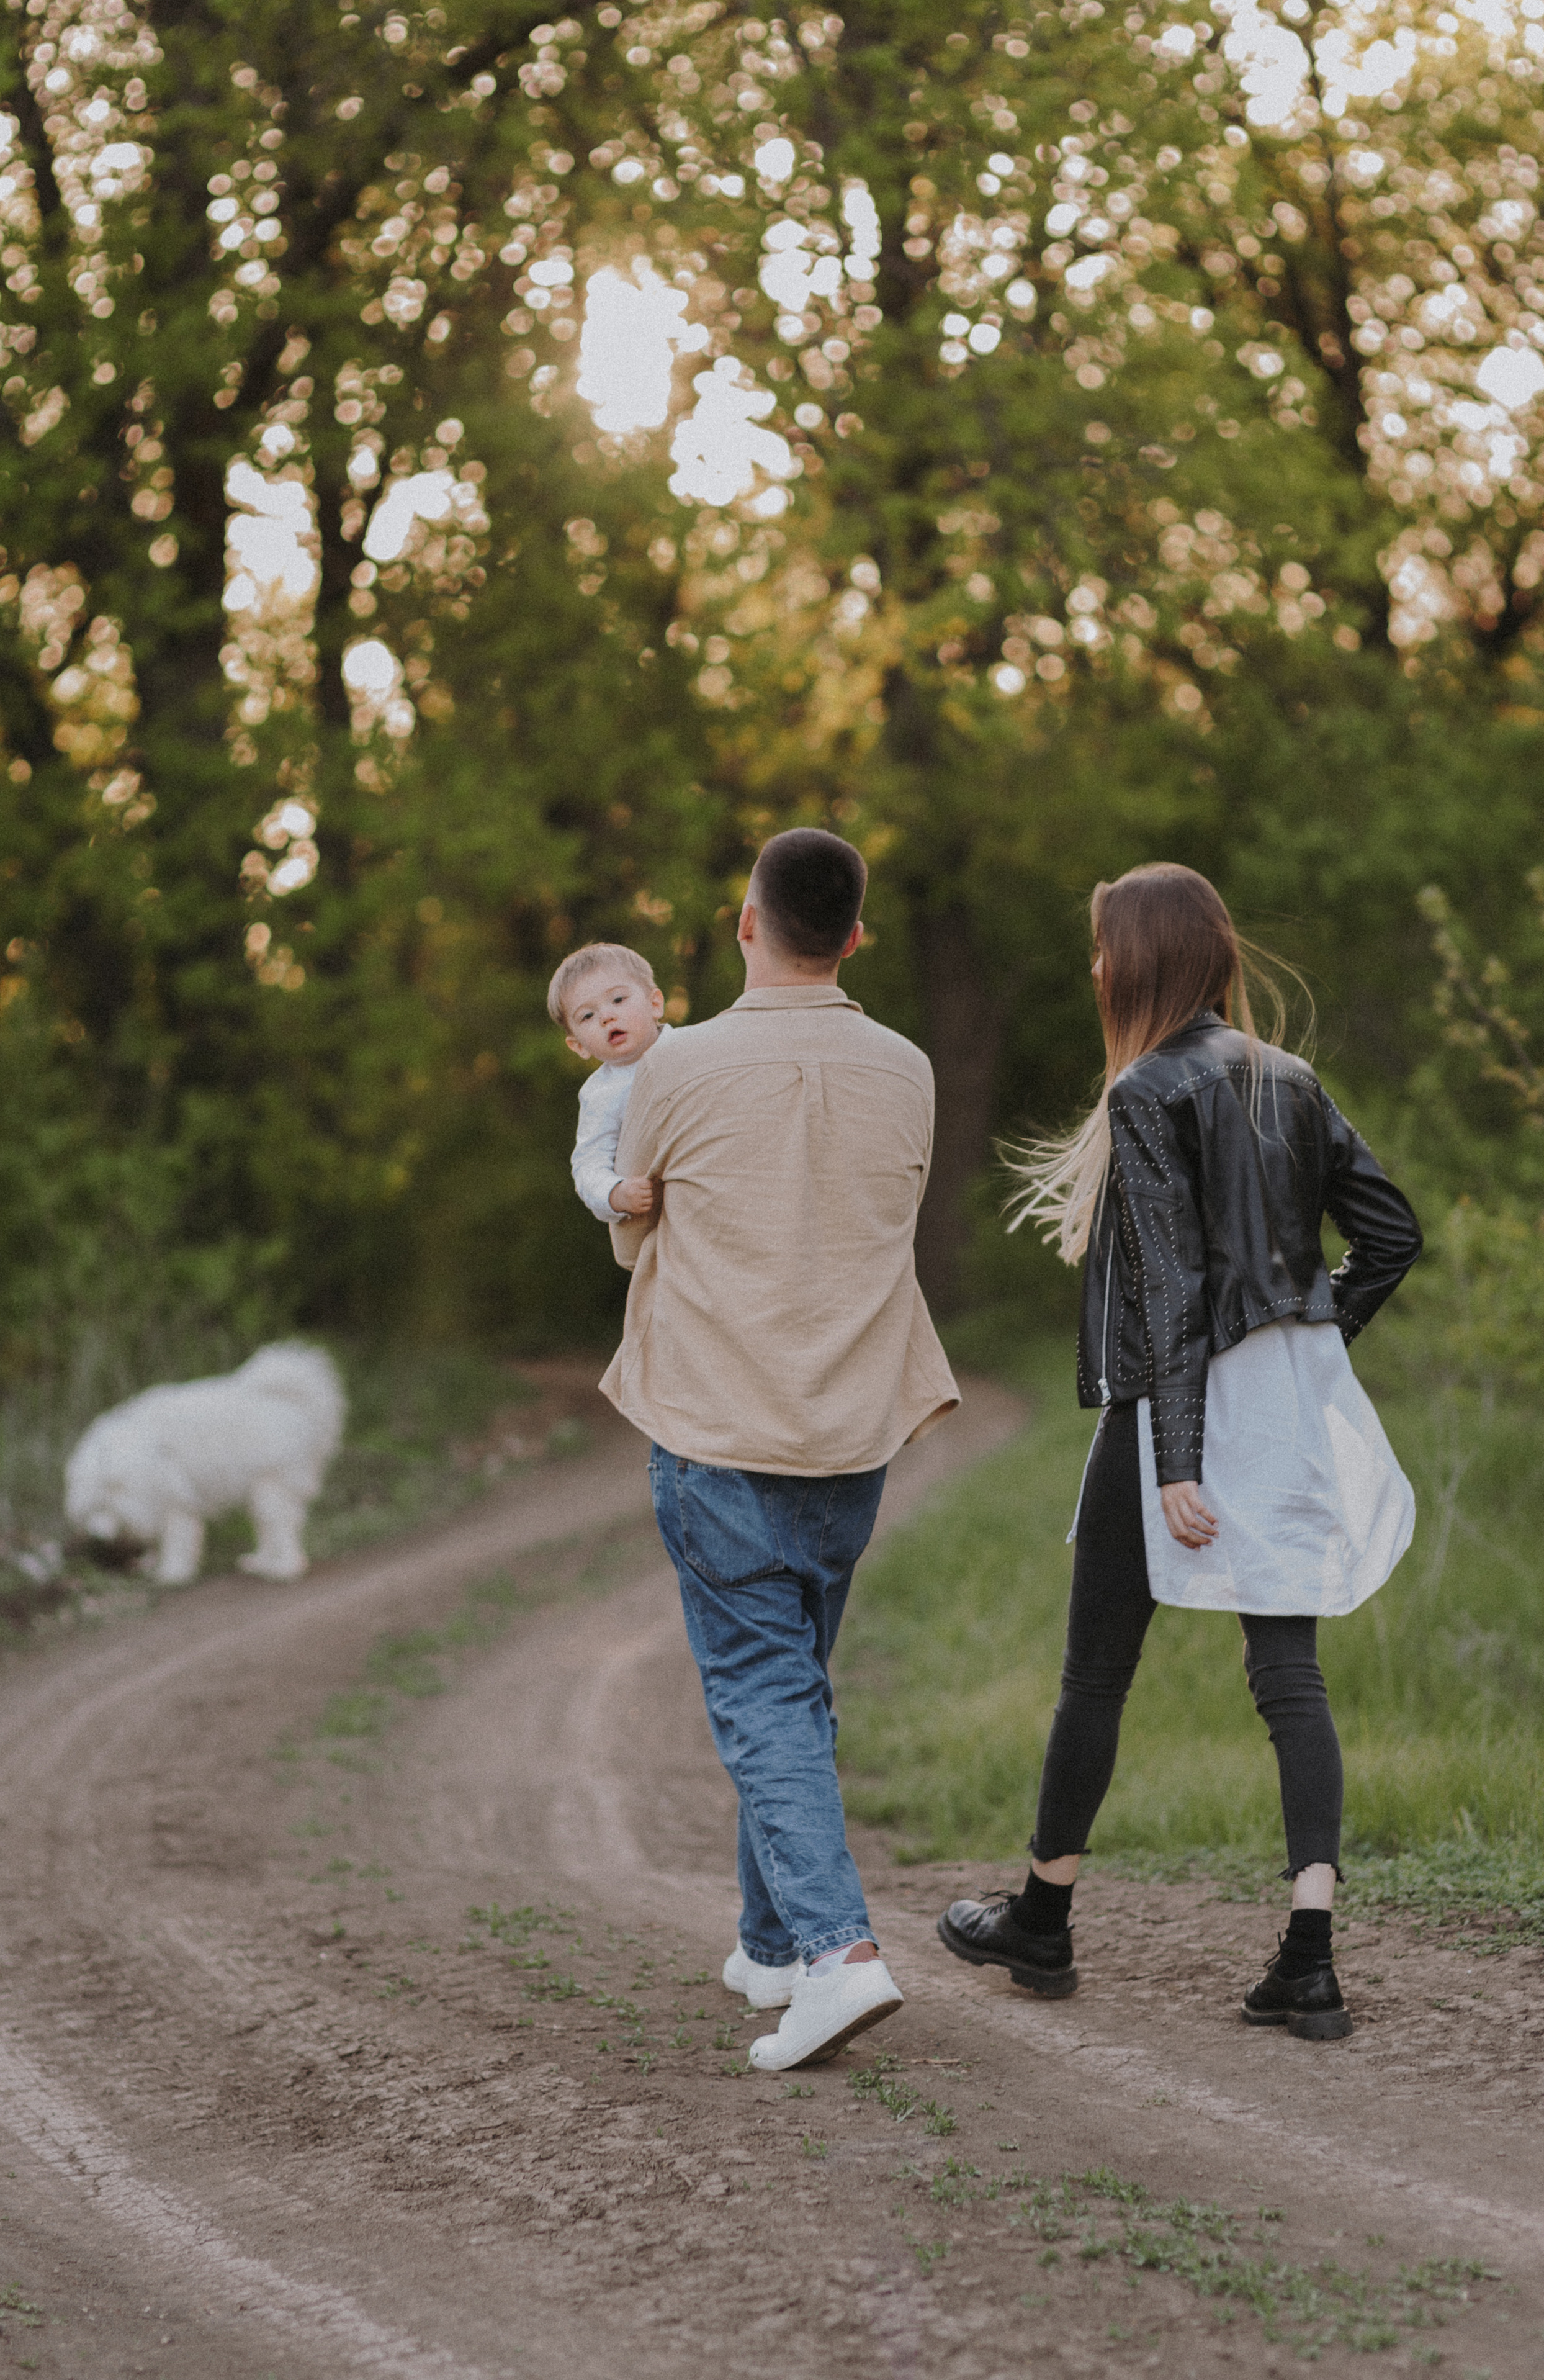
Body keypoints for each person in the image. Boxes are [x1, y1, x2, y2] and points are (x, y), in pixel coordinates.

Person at [936, 863, 1421, 2043]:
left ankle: (1043, 1920)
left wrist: (1175, 1458)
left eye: (1105, 947)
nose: (1095, 967)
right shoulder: (1293, 1077)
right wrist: (1311, 1334)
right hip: (1287, 1396)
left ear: (1139, 960)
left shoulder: (1149, 1087)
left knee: (1097, 1670)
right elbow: (1394, 1233)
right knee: (1287, 1672)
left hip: (1175, 1407)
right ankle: (1309, 1955)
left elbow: (1169, 1284)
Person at [603, 827, 961, 2072]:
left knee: (761, 1694)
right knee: (793, 1681)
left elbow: (634, 1235)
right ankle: (768, 1942)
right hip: (850, 1431)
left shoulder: (677, 1067)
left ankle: (835, 1955)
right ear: (853, 936)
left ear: (743, 922)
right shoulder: (908, 1069)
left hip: (718, 1425)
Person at [547, 942, 671, 1225]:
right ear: (578, 1045)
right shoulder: (601, 1094)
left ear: (655, 1004)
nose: (606, 1017)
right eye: (588, 1016)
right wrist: (615, 1193)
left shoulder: (693, 1048)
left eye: (618, 1000)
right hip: (663, 1210)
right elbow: (588, 1164)